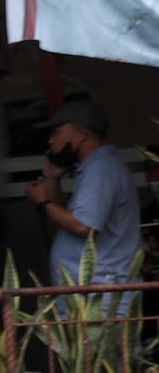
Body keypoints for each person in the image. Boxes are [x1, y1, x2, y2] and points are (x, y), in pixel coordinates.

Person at [30, 96, 142, 285]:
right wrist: (51, 179)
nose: (51, 141)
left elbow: (83, 226)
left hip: (99, 297)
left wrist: (43, 202)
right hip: (87, 295)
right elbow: (65, 221)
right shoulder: (95, 168)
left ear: (81, 134)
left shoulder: (101, 169)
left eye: (56, 132)